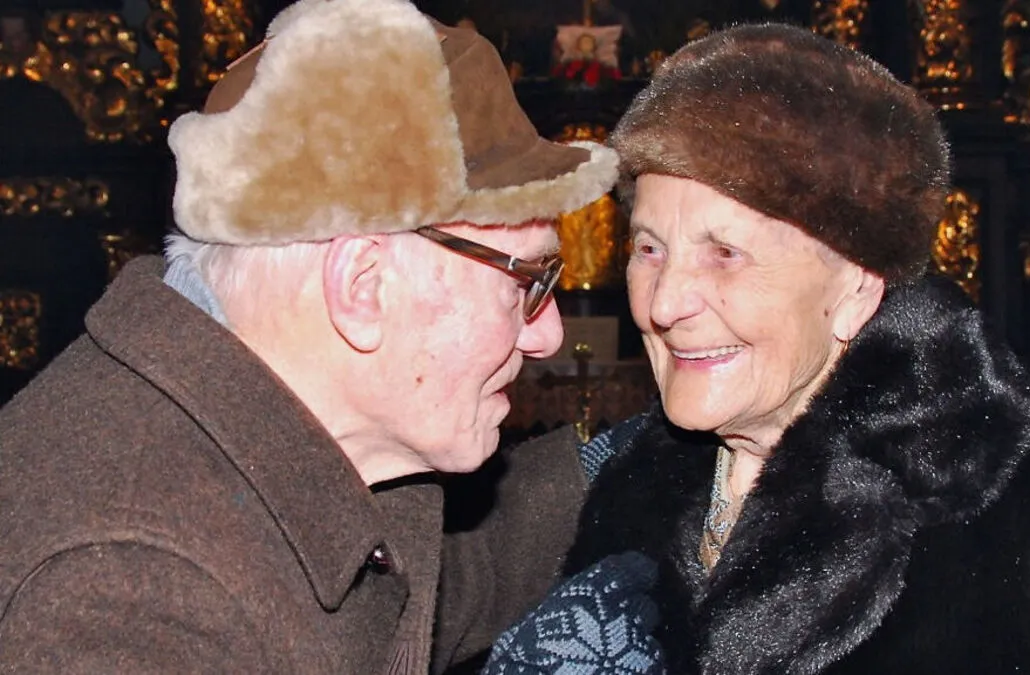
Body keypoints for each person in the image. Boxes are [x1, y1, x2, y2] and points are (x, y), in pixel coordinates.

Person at [0, 0, 628, 671]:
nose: (547, 334)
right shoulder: (127, 594)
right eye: (527, 280)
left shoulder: (262, 431)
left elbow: (442, 581)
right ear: (363, 285)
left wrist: (652, 463)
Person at [561, 23, 1030, 674]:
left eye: (724, 253)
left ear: (855, 286)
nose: (664, 303)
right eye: (649, 249)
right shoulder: (621, 487)